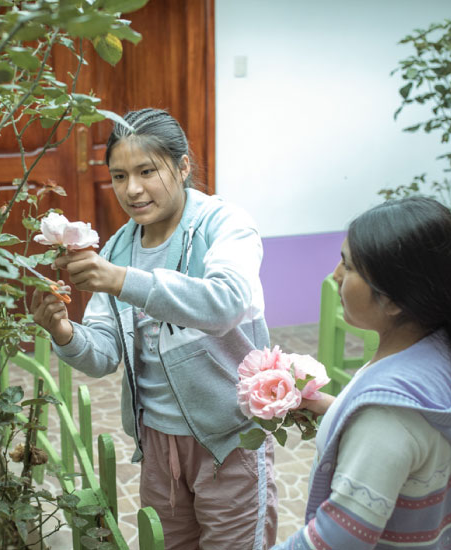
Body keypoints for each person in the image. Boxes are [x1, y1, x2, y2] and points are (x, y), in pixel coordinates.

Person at [31, 108, 277, 548]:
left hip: (229, 437)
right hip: (158, 443)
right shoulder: (117, 247)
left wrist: (122, 280)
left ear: (183, 166)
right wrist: (65, 333)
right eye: (120, 176)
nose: (133, 189)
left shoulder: (224, 224)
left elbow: (228, 300)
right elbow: (105, 353)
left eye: (147, 171)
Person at [274, 196, 451, 549]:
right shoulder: (437, 352)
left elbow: (337, 538)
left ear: (394, 300)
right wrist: (335, 407)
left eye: (349, 266)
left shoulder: (385, 417)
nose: (335, 275)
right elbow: (413, 439)